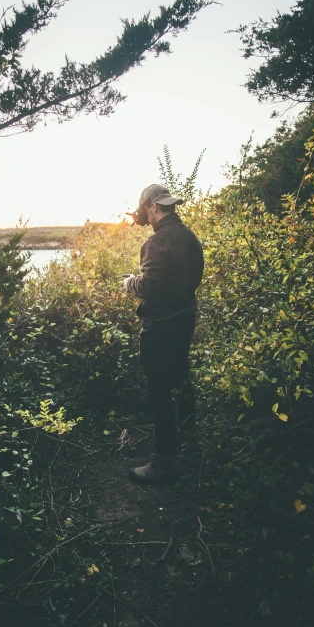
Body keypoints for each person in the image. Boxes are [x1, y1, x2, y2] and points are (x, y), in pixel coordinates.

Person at [122, 184, 204, 484]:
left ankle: (165, 463)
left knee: (159, 393)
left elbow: (150, 286)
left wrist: (130, 283)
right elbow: (193, 277)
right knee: (181, 380)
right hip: (185, 319)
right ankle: (189, 444)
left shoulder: (157, 242)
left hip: (159, 326)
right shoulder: (188, 236)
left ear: (154, 207)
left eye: (144, 209)